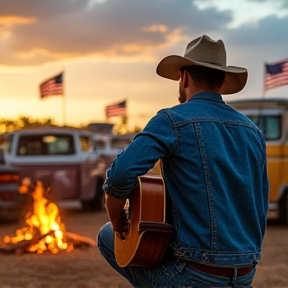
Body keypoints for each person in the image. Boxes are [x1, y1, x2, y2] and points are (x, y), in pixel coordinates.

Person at [97, 35, 269, 288]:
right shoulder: (253, 132)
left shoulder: (173, 120)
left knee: (105, 236)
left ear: (184, 77)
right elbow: (260, 202)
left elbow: (121, 175)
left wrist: (116, 218)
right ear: (221, 81)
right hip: (244, 274)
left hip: (194, 275)